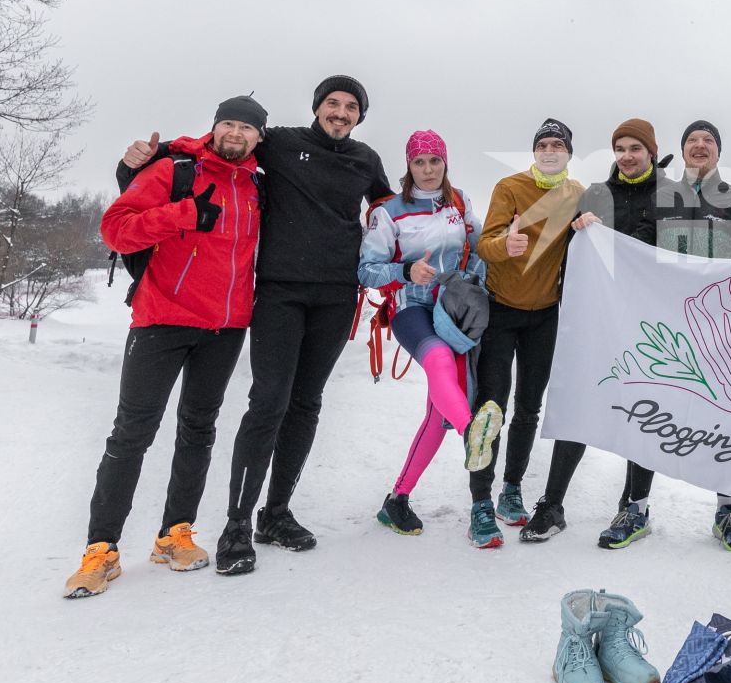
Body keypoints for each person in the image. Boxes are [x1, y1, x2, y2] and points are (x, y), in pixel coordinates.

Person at [120, 76, 393, 576]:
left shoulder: (367, 160)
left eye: (350, 106)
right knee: (269, 402)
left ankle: (277, 514)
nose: (340, 111)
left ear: (360, 116)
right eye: (332, 103)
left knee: (307, 404)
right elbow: (222, 147)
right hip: (278, 293)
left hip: (336, 297)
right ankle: (237, 525)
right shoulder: (282, 143)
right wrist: (135, 162)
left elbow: (389, 208)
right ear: (317, 108)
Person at [67, 98, 266, 598]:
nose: (236, 133)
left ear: (259, 137)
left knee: (199, 430)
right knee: (131, 434)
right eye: (229, 123)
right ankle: (101, 551)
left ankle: (175, 534)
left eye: (247, 126)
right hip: (162, 320)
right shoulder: (176, 170)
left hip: (225, 327)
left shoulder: (260, 184)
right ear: (214, 126)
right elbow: (115, 229)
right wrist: (182, 215)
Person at [548, 118, 701, 549]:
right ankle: (552, 502)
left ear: (651, 151)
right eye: (621, 148)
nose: (628, 155)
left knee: (644, 404)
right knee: (581, 396)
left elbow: (672, 244)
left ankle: (634, 506)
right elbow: (570, 253)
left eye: (636, 147)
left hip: (649, 319)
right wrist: (580, 228)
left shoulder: (671, 194)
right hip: (600, 317)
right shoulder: (597, 193)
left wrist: (622, 240)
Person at [361, 131, 496, 545]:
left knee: (436, 414)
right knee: (438, 361)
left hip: (454, 311)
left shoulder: (459, 202)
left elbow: (476, 249)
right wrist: (406, 272)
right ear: (409, 166)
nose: (428, 169)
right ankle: (471, 430)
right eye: (419, 162)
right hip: (412, 310)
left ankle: (397, 499)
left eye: (434, 161)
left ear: (445, 163)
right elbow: (366, 270)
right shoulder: (390, 212)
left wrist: (475, 284)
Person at [475, 120, 584, 541]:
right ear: (534, 151)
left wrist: (590, 220)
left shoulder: (576, 193)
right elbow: (486, 243)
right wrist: (507, 245)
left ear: (569, 153)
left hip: (545, 316)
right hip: (502, 312)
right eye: (543, 144)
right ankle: (481, 501)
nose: (550, 150)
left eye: (558, 145)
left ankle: (511, 489)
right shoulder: (509, 186)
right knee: (491, 409)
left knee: (528, 409)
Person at [675, 118, 731, 552]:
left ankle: (727, 509)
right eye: (692, 139)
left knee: (723, 411)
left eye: (708, 139)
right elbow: (634, 242)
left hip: (716, 322)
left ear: (718, 152)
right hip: (663, 319)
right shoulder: (661, 197)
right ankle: (634, 505)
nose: (699, 144)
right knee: (648, 404)